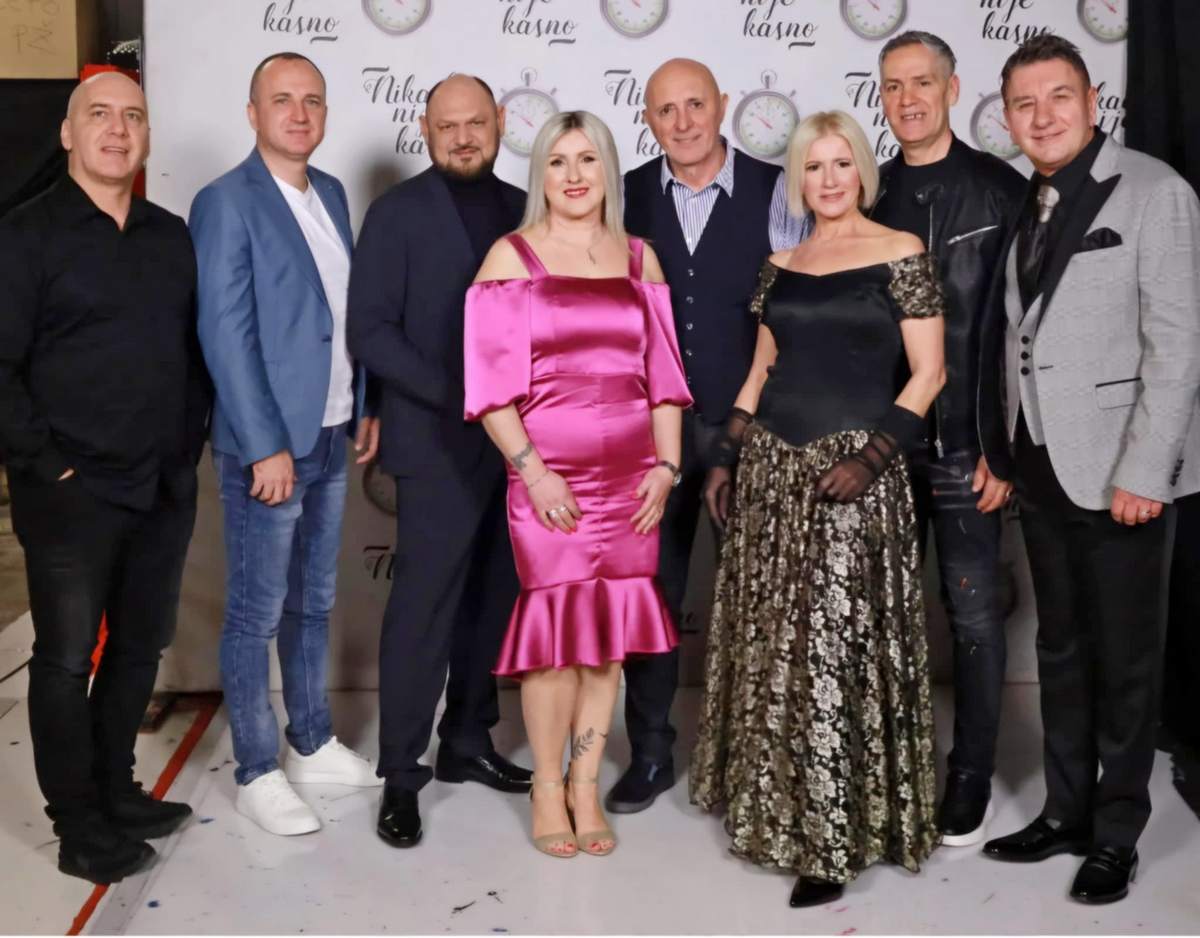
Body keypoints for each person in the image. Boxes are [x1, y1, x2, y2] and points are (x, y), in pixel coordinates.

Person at [690, 110, 946, 907]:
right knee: (778, 648)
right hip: (772, 472)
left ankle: (834, 840)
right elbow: (762, 370)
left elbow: (929, 373)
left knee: (837, 648)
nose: (828, 179)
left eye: (841, 164)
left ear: (861, 171)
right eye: (813, 166)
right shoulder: (781, 263)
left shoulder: (901, 252)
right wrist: (725, 455)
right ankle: (772, 807)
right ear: (797, 179)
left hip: (856, 477)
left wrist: (872, 460)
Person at [977, 35, 1200, 904]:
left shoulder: (1154, 191)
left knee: (1127, 660)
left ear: (1092, 99)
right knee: (1061, 648)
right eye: (1024, 103)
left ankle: (1116, 832)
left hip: (1121, 474)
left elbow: (1177, 347)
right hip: (1040, 463)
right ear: (1007, 115)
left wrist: (1146, 470)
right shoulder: (1026, 198)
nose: (1042, 117)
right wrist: (1003, 450)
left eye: (1058, 97)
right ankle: (1065, 810)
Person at [0, 72, 210, 883]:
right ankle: (78, 827)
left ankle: (116, 789)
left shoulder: (169, 236)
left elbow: (192, 356)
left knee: (138, 646)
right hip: (70, 493)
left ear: (147, 136)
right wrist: (47, 466)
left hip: (161, 484)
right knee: (64, 660)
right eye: (99, 115)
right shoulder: (24, 236)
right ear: (67, 134)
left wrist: (186, 448)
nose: (117, 130)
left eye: (133, 117)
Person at [464, 111, 692, 858]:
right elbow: (490, 392)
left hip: (632, 482)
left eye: (587, 159)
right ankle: (545, 787)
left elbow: (664, 382)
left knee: (606, 647)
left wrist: (666, 468)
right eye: (558, 161)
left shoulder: (640, 259)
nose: (573, 175)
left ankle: (585, 785)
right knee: (555, 645)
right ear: (542, 174)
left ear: (607, 170)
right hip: (549, 481)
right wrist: (532, 473)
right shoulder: (511, 257)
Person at [190, 52, 382, 837]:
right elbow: (224, 332)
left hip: (330, 433)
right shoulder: (225, 201)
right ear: (253, 112)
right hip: (268, 446)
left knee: (315, 602)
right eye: (282, 100)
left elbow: (342, 314)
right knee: (255, 613)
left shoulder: (330, 192)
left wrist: (363, 404)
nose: (299, 114)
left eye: (312, 100)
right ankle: (256, 770)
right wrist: (264, 443)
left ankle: (310, 741)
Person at [615, 57, 808, 814]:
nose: (683, 122)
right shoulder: (623, 194)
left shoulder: (778, 189)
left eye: (695, 104)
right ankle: (650, 754)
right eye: (666, 110)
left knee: (755, 597)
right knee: (651, 596)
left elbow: (799, 304)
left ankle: (753, 759)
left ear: (723, 105)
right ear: (648, 119)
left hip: (751, 429)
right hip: (648, 435)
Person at [347, 75, 532, 850]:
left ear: (500, 123)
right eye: (448, 125)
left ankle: (467, 740)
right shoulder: (396, 214)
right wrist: (465, 395)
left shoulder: (530, 207)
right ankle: (401, 772)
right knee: (423, 610)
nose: (463, 136)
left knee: (494, 601)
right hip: (434, 443)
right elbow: (370, 331)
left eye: (476, 122)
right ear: (425, 129)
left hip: (522, 448)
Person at [871, 30, 1025, 846]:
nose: (908, 100)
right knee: (884, 614)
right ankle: (891, 766)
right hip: (886, 448)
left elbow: (1021, 335)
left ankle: (969, 774)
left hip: (969, 447)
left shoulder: (1001, 192)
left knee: (973, 618)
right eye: (893, 86)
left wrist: (1004, 448)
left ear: (953, 89)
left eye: (922, 83)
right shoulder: (866, 191)